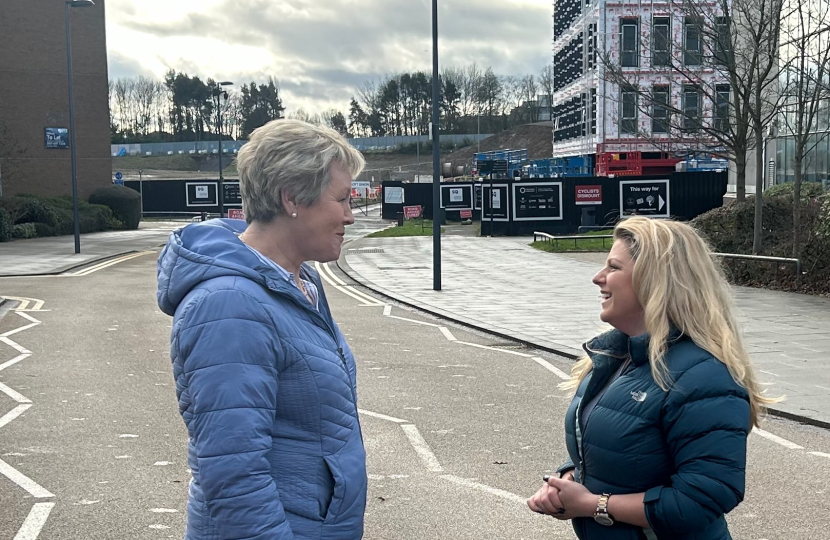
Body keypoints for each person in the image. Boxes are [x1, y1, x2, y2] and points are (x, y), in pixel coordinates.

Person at [157, 119, 367, 540]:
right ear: (291, 197)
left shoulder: (299, 281)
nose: (350, 215)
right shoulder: (230, 304)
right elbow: (232, 472)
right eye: (342, 199)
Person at [527, 216, 777, 540]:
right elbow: (611, 447)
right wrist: (569, 478)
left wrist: (593, 505)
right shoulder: (617, 356)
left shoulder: (704, 377)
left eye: (613, 268)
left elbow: (699, 501)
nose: (597, 277)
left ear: (653, 281)